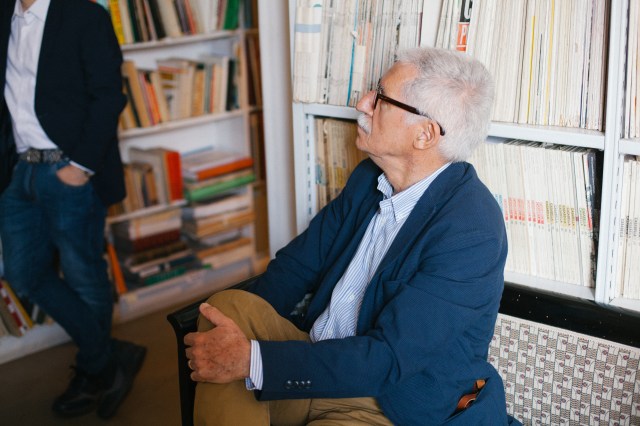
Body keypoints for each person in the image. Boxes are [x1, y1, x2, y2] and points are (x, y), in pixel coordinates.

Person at [185, 47, 519, 425]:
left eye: (381, 98)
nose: (362, 104)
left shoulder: (472, 230)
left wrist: (252, 361)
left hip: (384, 403)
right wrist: (236, 342)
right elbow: (297, 266)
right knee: (226, 308)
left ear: (424, 135)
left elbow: (388, 360)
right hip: (317, 360)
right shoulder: (368, 179)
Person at [0, 0, 145, 419]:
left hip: (68, 169)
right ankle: (106, 361)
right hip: (18, 170)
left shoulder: (86, 15)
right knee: (23, 274)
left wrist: (80, 167)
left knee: (84, 275)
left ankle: (94, 369)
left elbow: (108, 96)